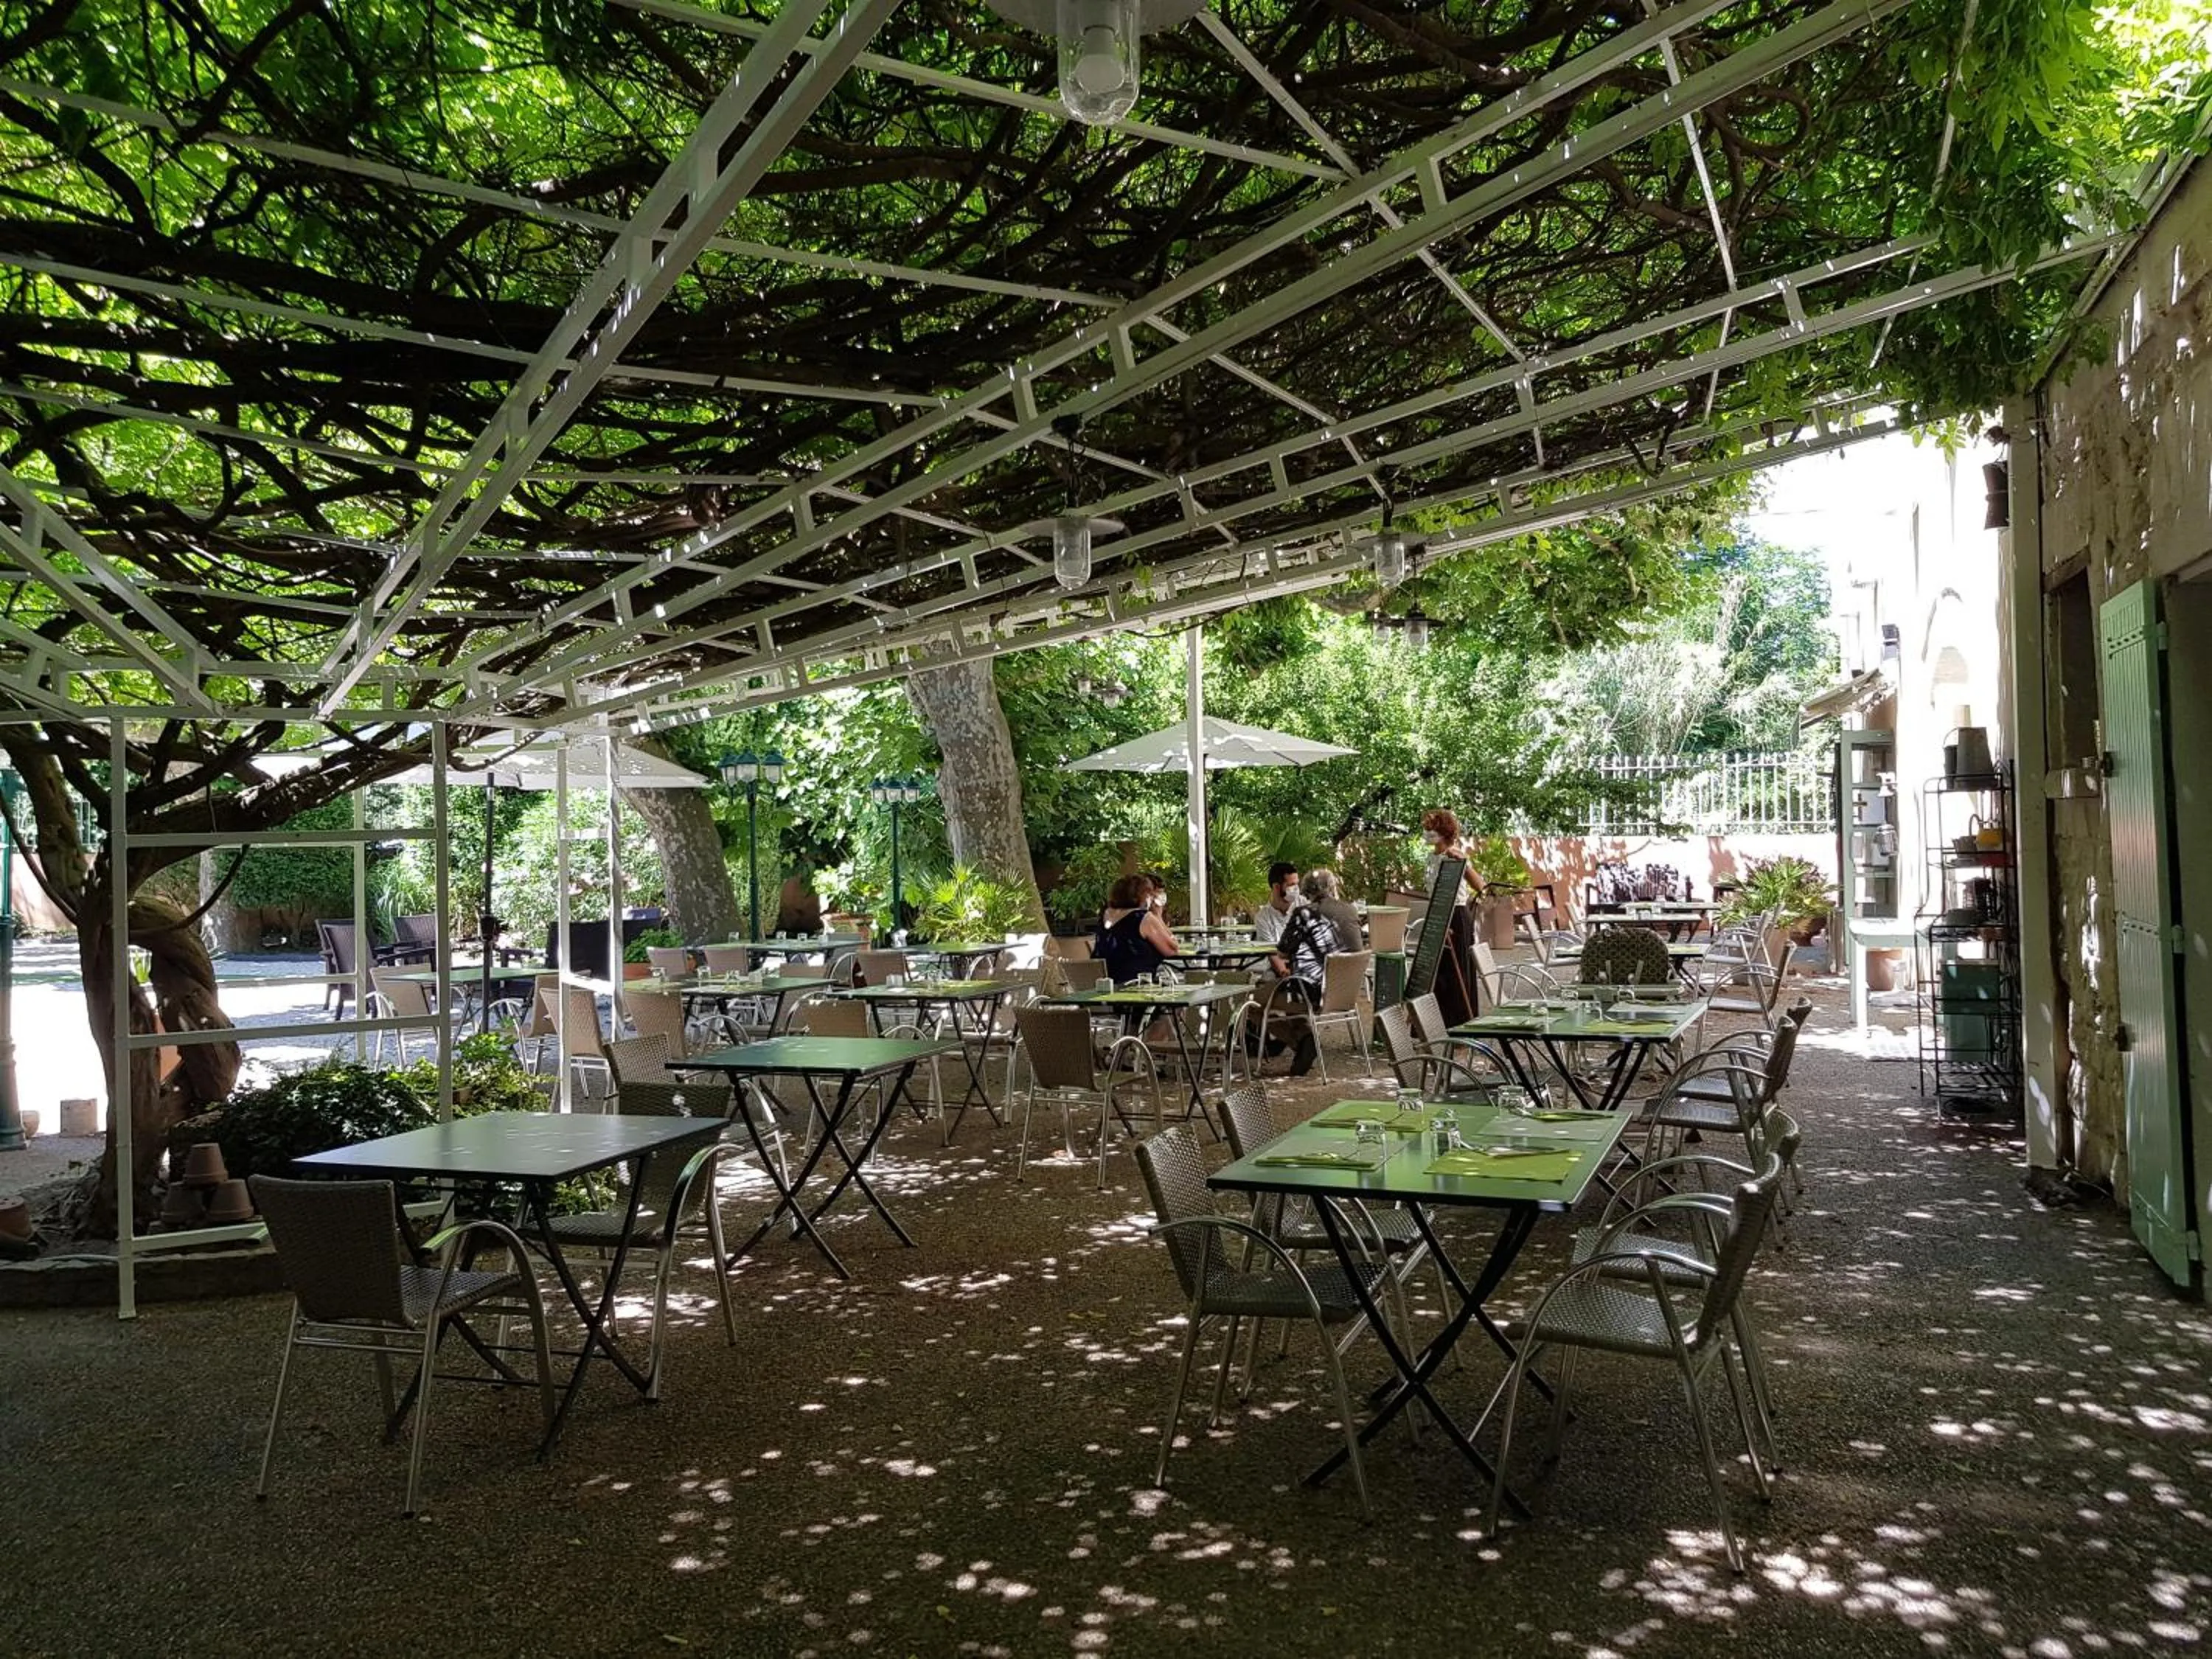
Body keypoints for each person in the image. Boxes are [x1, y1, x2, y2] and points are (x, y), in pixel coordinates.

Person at [1419, 808, 1480, 1026]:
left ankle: (1462, 1023)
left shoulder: (1455, 854)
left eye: (1431, 828)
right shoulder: (1430, 857)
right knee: (1436, 972)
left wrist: (1463, 862)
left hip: (1456, 915)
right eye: (1426, 828)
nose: (1427, 833)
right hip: (1437, 914)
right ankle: (1437, 1025)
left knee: (1458, 972)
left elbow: (1479, 886)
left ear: (1443, 831)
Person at [1093, 872, 1181, 986]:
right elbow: (1171, 951)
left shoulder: (1106, 914)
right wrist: (1158, 914)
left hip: (1104, 983)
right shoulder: (1143, 917)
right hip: (1136, 983)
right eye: (1149, 895)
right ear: (1142, 896)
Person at [1304, 867, 1364, 948]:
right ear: (1332, 888)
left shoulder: (1308, 913)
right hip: (1358, 960)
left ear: (1308, 891)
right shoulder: (1351, 909)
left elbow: (1285, 951)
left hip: (1329, 960)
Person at [1251, 860, 1302, 945]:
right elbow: (1273, 956)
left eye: (1297, 884)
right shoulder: (1263, 918)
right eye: (1291, 885)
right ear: (1276, 887)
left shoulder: (1305, 906)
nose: (1296, 889)